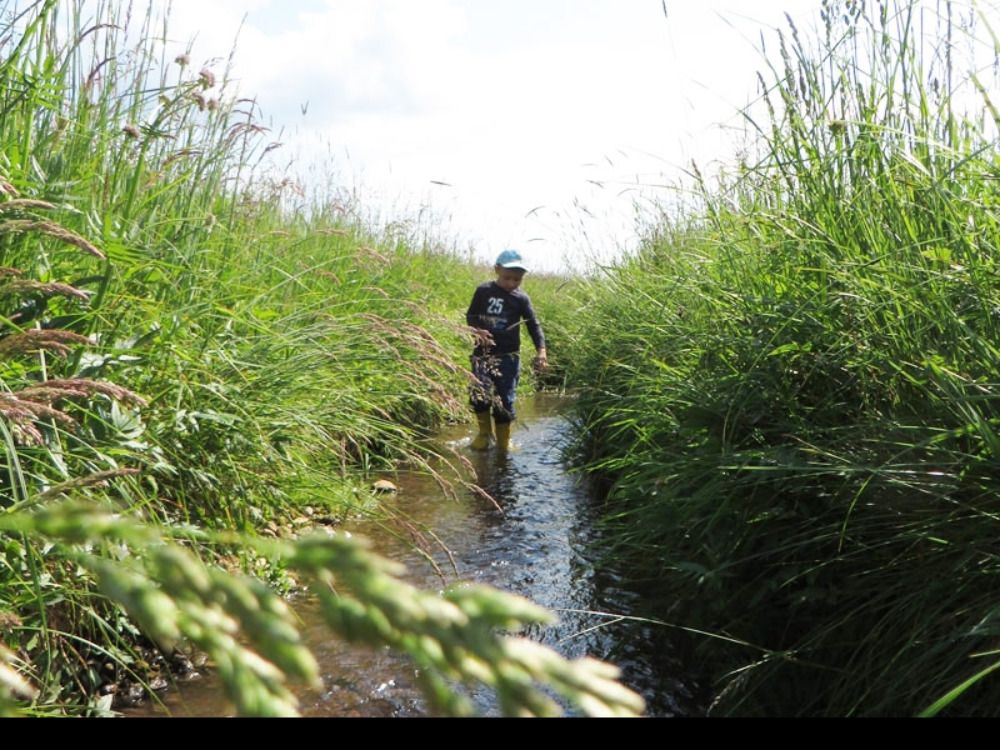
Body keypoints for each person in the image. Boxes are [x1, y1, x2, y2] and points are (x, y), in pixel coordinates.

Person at [466, 249, 547, 451]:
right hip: (482, 354)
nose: (512, 283)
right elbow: (471, 315)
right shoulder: (483, 291)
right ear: (497, 270)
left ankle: (504, 442)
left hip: (508, 357)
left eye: (517, 280)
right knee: (479, 394)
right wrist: (477, 331)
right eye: (507, 278)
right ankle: (484, 434)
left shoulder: (521, 299)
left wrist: (541, 350)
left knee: (505, 399)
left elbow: (533, 325)